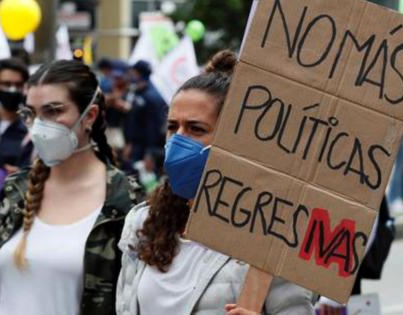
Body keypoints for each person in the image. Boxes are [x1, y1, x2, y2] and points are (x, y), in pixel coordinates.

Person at [0, 60, 142, 314]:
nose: (39, 125)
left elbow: (134, 300)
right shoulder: (16, 187)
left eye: (53, 111)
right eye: (31, 113)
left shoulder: (125, 201)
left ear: (90, 116)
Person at [116, 51, 314, 315]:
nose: (178, 141)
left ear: (235, 139)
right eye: (173, 127)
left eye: (196, 129)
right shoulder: (142, 223)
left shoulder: (272, 237)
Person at [123, 60, 168, 165]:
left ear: (138, 74)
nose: (130, 76)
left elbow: (153, 128)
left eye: (133, 73)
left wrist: (150, 153)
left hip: (144, 150)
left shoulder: (152, 96)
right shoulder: (136, 92)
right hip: (134, 146)